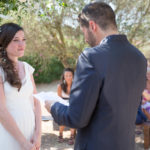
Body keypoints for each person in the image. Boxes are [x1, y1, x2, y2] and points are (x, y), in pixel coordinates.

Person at [47, 2, 147, 150]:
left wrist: (53, 106)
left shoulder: (91, 57)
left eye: (83, 31)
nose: (85, 38)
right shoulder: (139, 58)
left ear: (92, 26)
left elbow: (76, 118)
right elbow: (136, 112)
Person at [0, 23, 41, 150]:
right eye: (16, 40)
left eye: (24, 40)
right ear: (4, 43)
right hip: (9, 136)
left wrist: (38, 134)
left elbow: (37, 102)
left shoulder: (27, 68)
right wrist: (22, 142)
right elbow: (1, 111)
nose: (22, 44)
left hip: (31, 134)